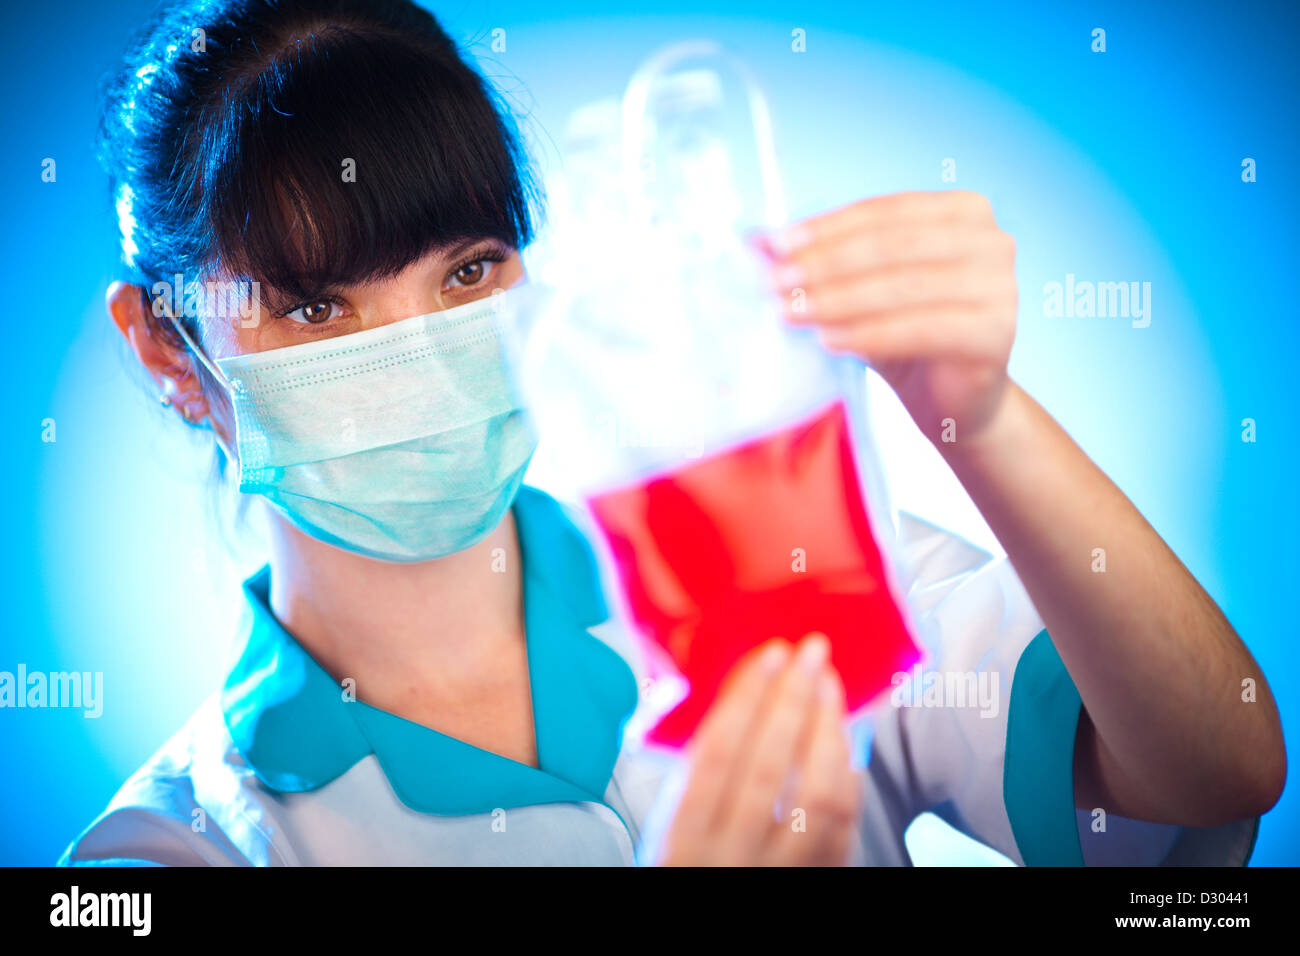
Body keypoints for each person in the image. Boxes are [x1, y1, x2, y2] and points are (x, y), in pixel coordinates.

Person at [60, 0, 1283, 867]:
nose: (418, 351)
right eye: (315, 304)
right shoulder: (170, 851)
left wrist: (983, 410)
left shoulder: (760, 561)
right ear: (171, 349)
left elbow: (1213, 769)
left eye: (467, 269)